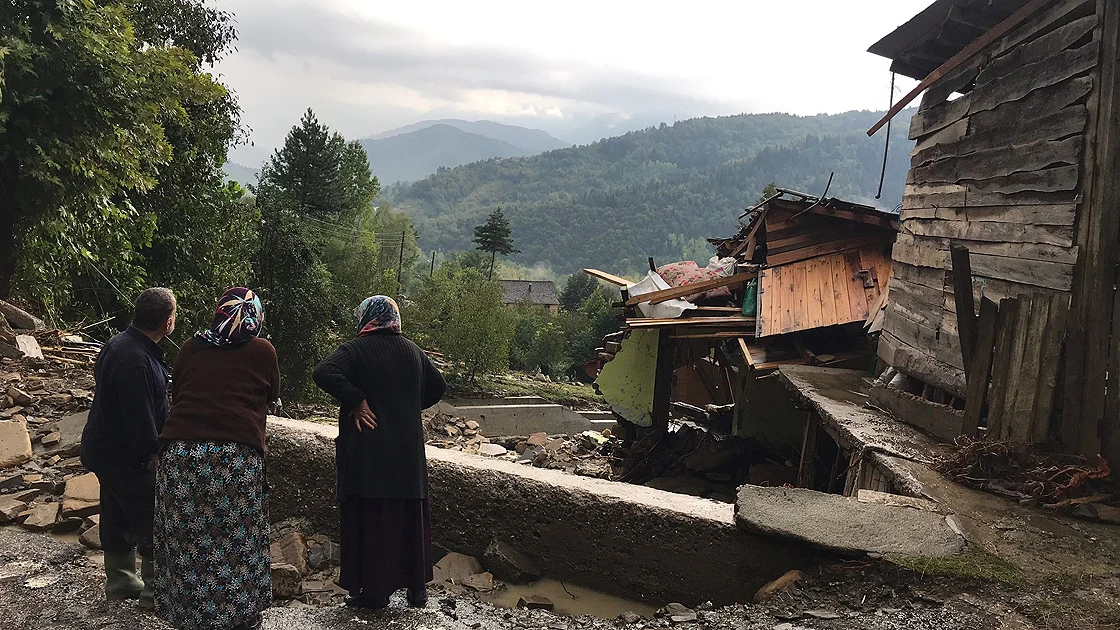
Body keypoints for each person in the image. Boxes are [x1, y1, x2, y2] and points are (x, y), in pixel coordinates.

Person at [152, 287, 279, 630]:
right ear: (256, 316)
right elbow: (271, 393)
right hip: (234, 458)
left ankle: (188, 616)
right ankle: (237, 616)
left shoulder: (191, 347)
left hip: (181, 455)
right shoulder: (263, 350)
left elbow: (177, 393)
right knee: (237, 539)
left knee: (187, 538)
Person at [313, 295, 446, 610]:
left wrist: (356, 399)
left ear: (366, 318)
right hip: (408, 456)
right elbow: (438, 386)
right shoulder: (413, 351)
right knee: (408, 521)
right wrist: (408, 406)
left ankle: (375, 593)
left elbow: (323, 372)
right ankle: (417, 591)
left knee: (373, 521)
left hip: (370, 455)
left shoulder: (355, 350)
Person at [81, 287, 177, 605]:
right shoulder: (136, 361)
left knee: (116, 514)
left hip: (102, 448)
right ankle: (153, 591)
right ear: (167, 323)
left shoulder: (118, 344)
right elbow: (140, 421)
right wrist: (154, 455)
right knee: (149, 516)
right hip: (125, 454)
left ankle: (121, 581)